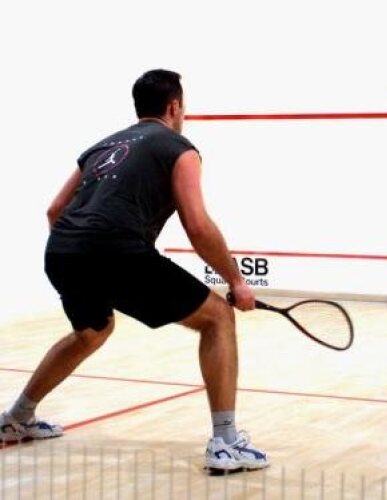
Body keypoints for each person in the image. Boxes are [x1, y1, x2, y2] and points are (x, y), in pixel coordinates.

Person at [0, 69, 269, 470]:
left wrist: (83, 252)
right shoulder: (179, 148)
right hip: (116, 250)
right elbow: (197, 224)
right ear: (174, 106)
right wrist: (236, 280)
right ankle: (226, 443)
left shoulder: (102, 146)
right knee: (217, 317)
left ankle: (16, 418)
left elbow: (55, 210)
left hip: (62, 251)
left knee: (91, 331)